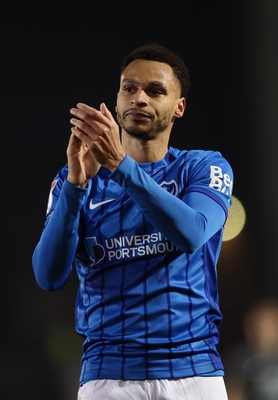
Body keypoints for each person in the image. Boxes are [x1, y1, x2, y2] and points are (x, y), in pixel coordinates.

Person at [32, 43, 233, 400]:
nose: (138, 98)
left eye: (155, 91)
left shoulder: (204, 167)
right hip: (108, 377)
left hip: (194, 372)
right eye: (129, 88)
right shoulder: (74, 178)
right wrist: (76, 188)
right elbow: (48, 275)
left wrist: (121, 167)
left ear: (179, 107)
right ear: (117, 98)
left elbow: (192, 233)